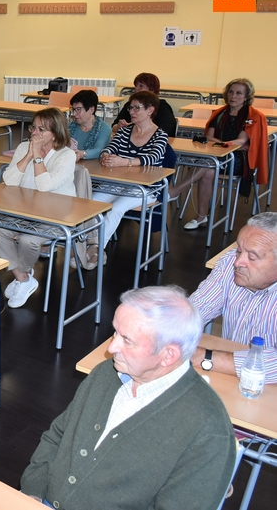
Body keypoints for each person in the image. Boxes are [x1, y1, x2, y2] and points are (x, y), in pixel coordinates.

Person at [20, 286, 236, 510]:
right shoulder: (107, 373)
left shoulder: (208, 430)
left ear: (168, 355)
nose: (112, 347)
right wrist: (32, 492)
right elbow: (58, 435)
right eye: (115, 332)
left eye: (127, 340)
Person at [0, 108, 76, 308]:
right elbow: (8, 180)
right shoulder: (24, 147)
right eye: (34, 127)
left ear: (56, 133)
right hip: (25, 210)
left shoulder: (66, 155)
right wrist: (27, 156)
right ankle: (23, 278)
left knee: (28, 239)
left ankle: (21, 274)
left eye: (42, 130)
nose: (34, 133)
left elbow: (44, 186)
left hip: (56, 215)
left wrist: (38, 158)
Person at [189, 212, 277, 383]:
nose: (238, 262)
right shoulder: (229, 264)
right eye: (238, 251)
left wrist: (204, 357)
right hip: (232, 378)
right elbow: (194, 310)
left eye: (252, 257)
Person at [171, 78, 269, 230]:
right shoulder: (220, 113)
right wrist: (221, 145)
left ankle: (176, 190)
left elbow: (241, 141)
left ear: (246, 96)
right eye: (231, 92)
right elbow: (209, 136)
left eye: (238, 93)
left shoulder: (252, 116)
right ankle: (201, 217)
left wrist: (222, 145)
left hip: (238, 158)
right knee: (209, 170)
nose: (233, 96)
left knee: (209, 162)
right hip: (216, 153)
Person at [90, 91, 168, 264]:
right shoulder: (125, 132)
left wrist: (124, 162)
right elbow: (110, 147)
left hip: (146, 188)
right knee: (92, 204)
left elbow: (152, 158)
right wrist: (105, 155)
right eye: (130, 107)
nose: (131, 111)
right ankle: (87, 245)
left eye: (136, 108)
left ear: (150, 110)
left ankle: (96, 249)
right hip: (119, 183)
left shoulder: (160, 135)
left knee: (116, 208)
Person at [114, 72, 177, 139]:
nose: (136, 89)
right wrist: (118, 126)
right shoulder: (130, 105)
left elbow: (165, 130)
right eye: (136, 86)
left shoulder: (162, 107)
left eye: (141, 86)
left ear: (152, 90)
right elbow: (114, 126)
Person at [67, 90, 111, 161]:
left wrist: (82, 154)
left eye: (78, 110)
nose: (74, 114)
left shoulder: (104, 128)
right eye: (73, 110)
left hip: (94, 167)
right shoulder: (69, 127)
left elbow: (99, 150)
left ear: (91, 109)